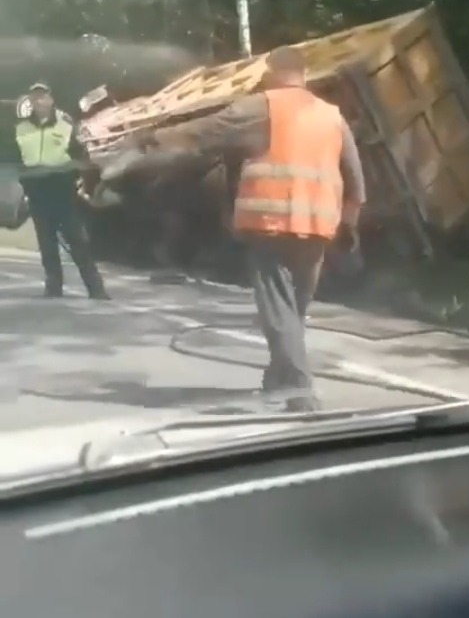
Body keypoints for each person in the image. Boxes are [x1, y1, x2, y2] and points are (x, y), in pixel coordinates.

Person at [98, 47, 366, 411]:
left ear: (272, 73)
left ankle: (301, 390)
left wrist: (141, 142)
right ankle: (278, 380)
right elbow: (356, 184)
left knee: (279, 312)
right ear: (303, 74)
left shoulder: (258, 107)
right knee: (293, 312)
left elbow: (199, 134)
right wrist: (349, 225)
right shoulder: (333, 117)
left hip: (270, 223)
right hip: (317, 228)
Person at [13, 83, 110, 300]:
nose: (39, 101)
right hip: (38, 194)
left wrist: (79, 181)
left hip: (63, 193)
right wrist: (24, 183)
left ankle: (96, 288)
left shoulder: (65, 124)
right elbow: (17, 158)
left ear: (50, 99)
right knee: (47, 245)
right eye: (34, 97)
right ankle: (53, 287)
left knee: (77, 242)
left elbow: (79, 155)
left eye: (42, 97)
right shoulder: (21, 128)